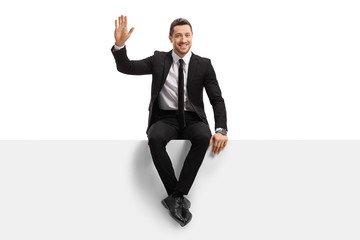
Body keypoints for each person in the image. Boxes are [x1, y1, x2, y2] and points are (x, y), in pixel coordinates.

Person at [111, 15, 228, 227]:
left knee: (203, 136)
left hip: (193, 120)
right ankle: (178, 196)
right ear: (170, 38)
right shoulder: (159, 60)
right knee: (154, 137)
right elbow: (127, 67)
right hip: (165, 119)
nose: (183, 39)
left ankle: (176, 196)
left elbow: (216, 99)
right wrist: (120, 45)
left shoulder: (204, 64)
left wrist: (221, 129)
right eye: (178, 36)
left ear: (192, 37)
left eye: (187, 35)